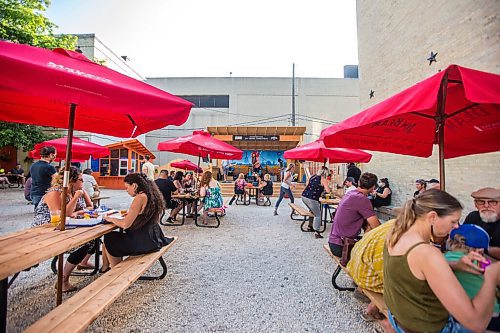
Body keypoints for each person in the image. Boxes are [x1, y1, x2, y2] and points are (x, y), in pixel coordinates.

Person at [384, 189, 500, 333]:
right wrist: (491, 276)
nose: (457, 227)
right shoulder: (427, 253)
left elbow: (414, 270)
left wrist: (456, 265)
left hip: (400, 320)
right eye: (453, 221)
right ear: (432, 217)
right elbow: (475, 324)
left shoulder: (395, 234)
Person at [32, 167, 94, 292]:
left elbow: (90, 207)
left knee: (93, 238)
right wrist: (76, 199)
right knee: (84, 242)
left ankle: (78, 266)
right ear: (72, 180)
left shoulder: (77, 190)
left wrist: (79, 210)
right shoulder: (55, 192)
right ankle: (63, 280)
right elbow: (61, 215)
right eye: (80, 179)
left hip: (68, 225)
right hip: (47, 229)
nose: (83, 182)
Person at [102, 173, 173, 270]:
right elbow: (144, 215)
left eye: (127, 187)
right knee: (113, 238)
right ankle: (105, 268)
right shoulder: (153, 194)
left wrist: (110, 219)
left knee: (109, 238)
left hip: (141, 242)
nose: (126, 190)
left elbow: (125, 225)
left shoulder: (140, 197)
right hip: (153, 238)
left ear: (134, 185)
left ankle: (117, 271)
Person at [445, 224, 500, 332]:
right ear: (479, 251)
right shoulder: (484, 263)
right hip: (492, 316)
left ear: (450, 242)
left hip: (457, 314)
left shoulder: (442, 259)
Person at [346, 219, 396, 331]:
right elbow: (374, 223)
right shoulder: (406, 238)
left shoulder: (393, 222)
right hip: (365, 277)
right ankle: (390, 324)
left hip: (353, 264)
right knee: (408, 289)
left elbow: (374, 227)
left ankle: (372, 309)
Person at [328, 172, 381, 257]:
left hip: (334, 241)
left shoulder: (350, 193)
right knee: (377, 251)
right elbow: (377, 226)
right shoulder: (362, 199)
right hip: (342, 246)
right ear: (373, 187)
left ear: (359, 183)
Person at [463, 187, 500, 260]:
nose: (486, 206)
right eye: (481, 202)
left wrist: (484, 249)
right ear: (475, 204)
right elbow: (461, 239)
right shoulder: (473, 217)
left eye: (493, 202)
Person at [301, 166, 332, 239]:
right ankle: (317, 232)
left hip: (304, 196)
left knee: (312, 211)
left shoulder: (313, 176)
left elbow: (310, 185)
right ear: (325, 173)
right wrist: (327, 186)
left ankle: (310, 226)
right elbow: (328, 191)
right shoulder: (323, 179)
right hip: (312, 198)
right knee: (318, 215)